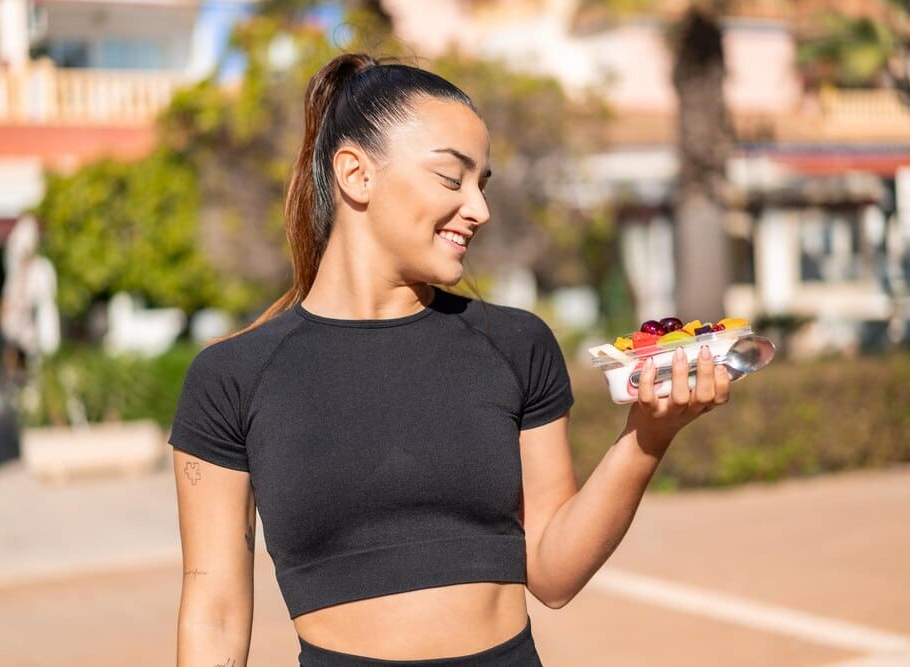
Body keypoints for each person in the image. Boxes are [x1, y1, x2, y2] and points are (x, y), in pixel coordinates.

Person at [169, 52, 731, 667]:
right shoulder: (232, 379)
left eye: (481, 183)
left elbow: (553, 574)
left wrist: (646, 437)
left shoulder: (515, 345)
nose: (479, 209)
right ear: (356, 174)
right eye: (450, 177)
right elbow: (215, 612)